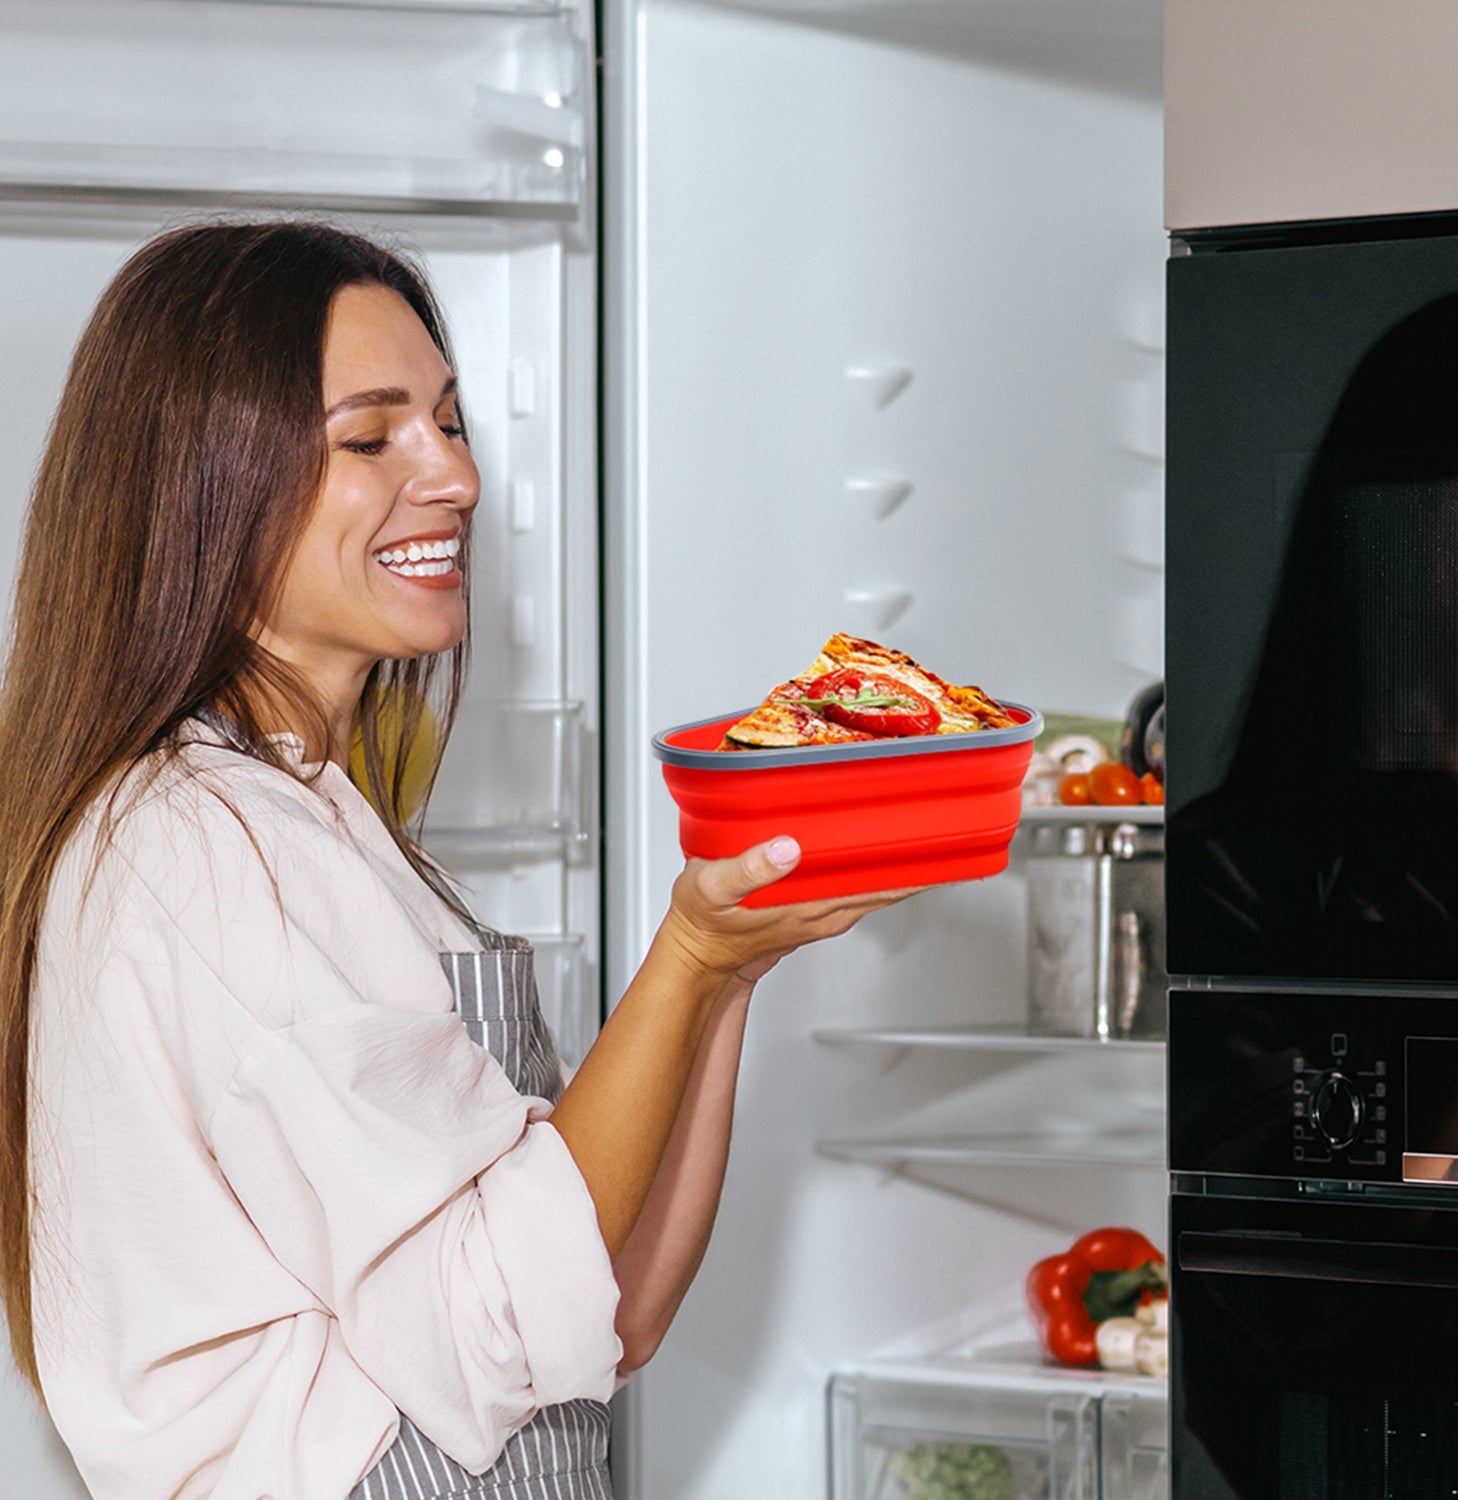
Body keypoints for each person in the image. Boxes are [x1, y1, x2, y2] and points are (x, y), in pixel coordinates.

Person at [0, 220, 913, 1499]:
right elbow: (499, 1321)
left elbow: (607, 1313)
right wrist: (688, 953)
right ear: (203, 485)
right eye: (370, 439)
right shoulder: (202, 844)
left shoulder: (314, 812)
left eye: (448, 420)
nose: (458, 476)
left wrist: (721, 975)